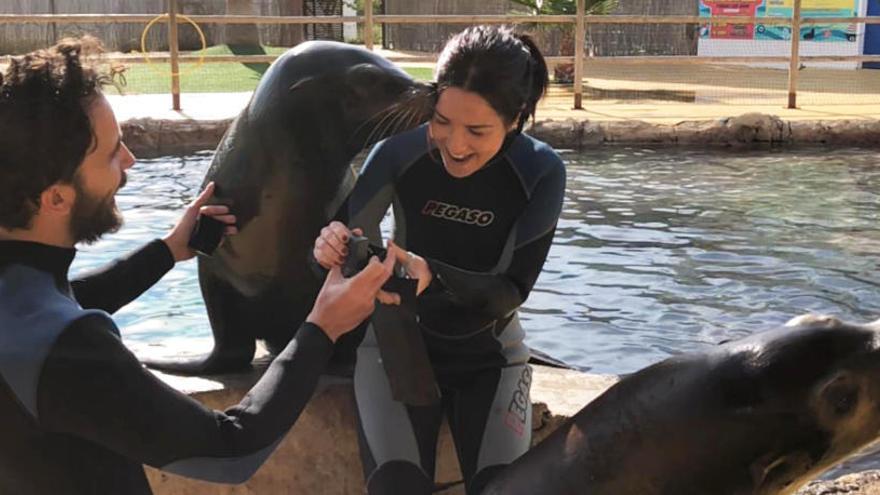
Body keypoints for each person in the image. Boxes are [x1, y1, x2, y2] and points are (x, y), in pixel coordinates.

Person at [0, 37, 397, 494]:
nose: (129, 161)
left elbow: (58, 299)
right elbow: (232, 450)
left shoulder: (25, 311)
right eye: (112, 154)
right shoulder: (66, 349)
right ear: (55, 198)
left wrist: (169, 250)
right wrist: (322, 328)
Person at [313, 25, 566, 495]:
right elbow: (351, 238)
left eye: (478, 130)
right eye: (442, 120)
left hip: (490, 358)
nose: (455, 144)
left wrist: (435, 276)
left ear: (515, 120)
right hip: (395, 349)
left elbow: (510, 291)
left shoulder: (540, 171)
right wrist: (330, 245)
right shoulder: (397, 153)